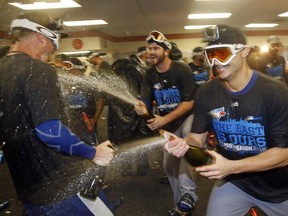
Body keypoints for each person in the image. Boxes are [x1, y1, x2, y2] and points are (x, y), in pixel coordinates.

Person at [164, 25, 288, 216]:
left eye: (222, 54)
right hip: (236, 182)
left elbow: (284, 154)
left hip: (280, 188)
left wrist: (232, 166)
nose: (215, 62)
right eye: (210, 55)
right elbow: (196, 138)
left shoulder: (275, 92)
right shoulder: (207, 91)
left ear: (244, 51)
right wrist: (184, 145)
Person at [0, 12, 116, 216]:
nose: (54, 50)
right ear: (41, 36)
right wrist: (94, 153)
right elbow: (49, 131)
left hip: (29, 192)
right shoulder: (38, 69)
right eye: (55, 42)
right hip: (64, 187)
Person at [134, 30, 197, 216]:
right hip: (167, 125)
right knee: (169, 165)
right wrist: (142, 109)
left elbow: (188, 103)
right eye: (149, 48)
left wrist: (164, 119)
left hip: (187, 118)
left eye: (155, 48)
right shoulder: (148, 74)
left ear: (166, 51)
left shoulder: (181, 69)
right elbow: (145, 99)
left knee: (184, 146)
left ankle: (189, 194)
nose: (150, 52)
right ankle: (182, 206)